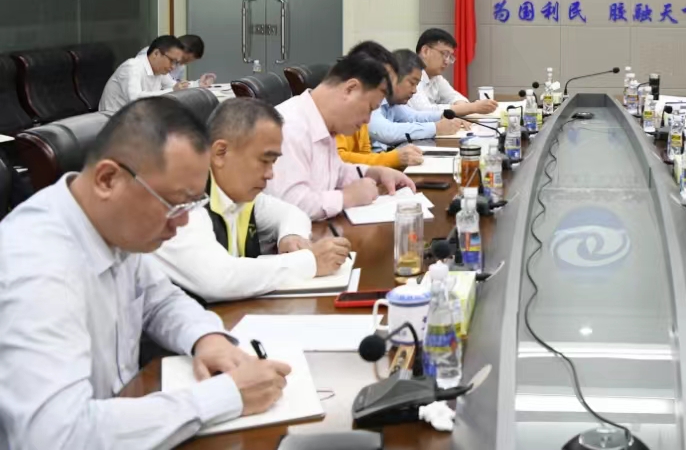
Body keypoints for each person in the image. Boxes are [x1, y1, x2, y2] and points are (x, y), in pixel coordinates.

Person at [0, 97, 292, 449]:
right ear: (108, 179)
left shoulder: (112, 226)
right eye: (174, 204)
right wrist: (226, 396)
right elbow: (55, 436)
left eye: (192, 204)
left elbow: (159, 300)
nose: (182, 223)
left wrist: (206, 338)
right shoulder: (38, 267)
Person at [153, 98, 353, 302]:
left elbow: (291, 213)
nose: (270, 174)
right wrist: (309, 262)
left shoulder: (238, 193)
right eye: (264, 161)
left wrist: (292, 237)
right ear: (220, 153)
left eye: (273, 162)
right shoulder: (184, 200)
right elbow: (218, 279)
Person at [265, 51, 415, 220]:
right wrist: (346, 198)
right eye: (369, 108)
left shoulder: (323, 122)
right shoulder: (289, 127)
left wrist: (374, 173)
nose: (367, 120)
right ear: (350, 89)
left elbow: (334, 171)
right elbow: (290, 205)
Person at [334, 41, 424, 169]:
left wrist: (379, 172)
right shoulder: (328, 114)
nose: (368, 120)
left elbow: (364, 156)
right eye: (383, 89)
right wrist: (393, 159)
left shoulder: (359, 109)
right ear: (351, 88)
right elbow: (337, 159)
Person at [370, 49, 467, 147]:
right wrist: (435, 128)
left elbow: (414, 117)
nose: (414, 91)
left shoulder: (392, 102)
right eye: (412, 83)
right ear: (393, 77)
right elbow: (387, 132)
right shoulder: (371, 99)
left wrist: (443, 116)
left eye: (416, 85)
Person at [408, 28, 498, 117]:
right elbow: (424, 111)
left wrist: (466, 108)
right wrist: (472, 107)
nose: (447, 61)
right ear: (425, 51)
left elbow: (454, 97)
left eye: (450, 57)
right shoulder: (409, 73)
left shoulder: (436, 77)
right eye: (445, 54)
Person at [100, 34, 190, 113]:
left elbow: (176, 87)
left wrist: (195, 84)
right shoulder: (132, 66)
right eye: (171, 61)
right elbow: (135, 99)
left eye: (176, 63)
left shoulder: (160, 71)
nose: (173, 67)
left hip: (136, 118)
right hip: (112, 120)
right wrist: (172, 90)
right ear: (156, 53)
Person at [138, 34, 206, 83]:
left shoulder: (180, 65)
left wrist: (198, 84)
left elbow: (175, 85)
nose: (181, 63)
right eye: (184, 59)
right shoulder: (147, 56)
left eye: (186, 62)